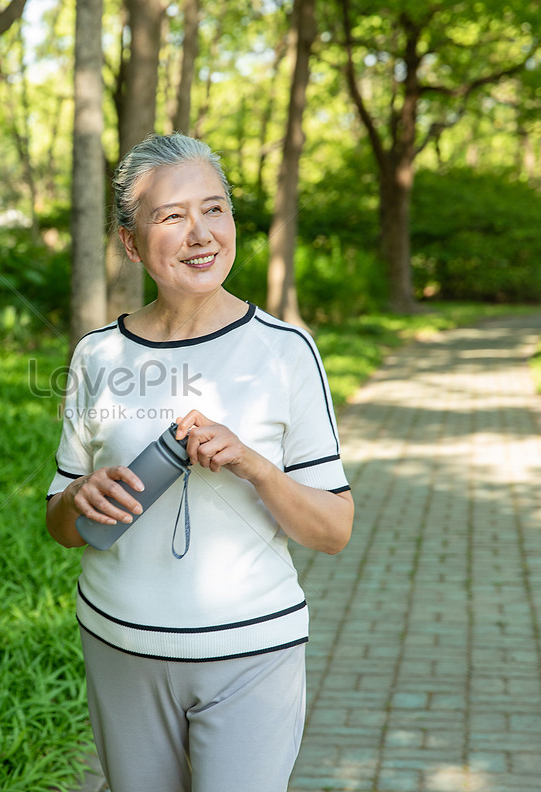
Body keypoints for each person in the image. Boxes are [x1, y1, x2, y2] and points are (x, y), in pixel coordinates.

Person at [45, 133, 353, 792]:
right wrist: (79, 500)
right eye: (172, 215)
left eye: (214, 210)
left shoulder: (285, 350)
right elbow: (60, 523)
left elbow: (335, 531)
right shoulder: (97, 357)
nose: (200, 233)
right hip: (119, 647)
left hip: (253, 654)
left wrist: (252, 464)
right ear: (131, 243)